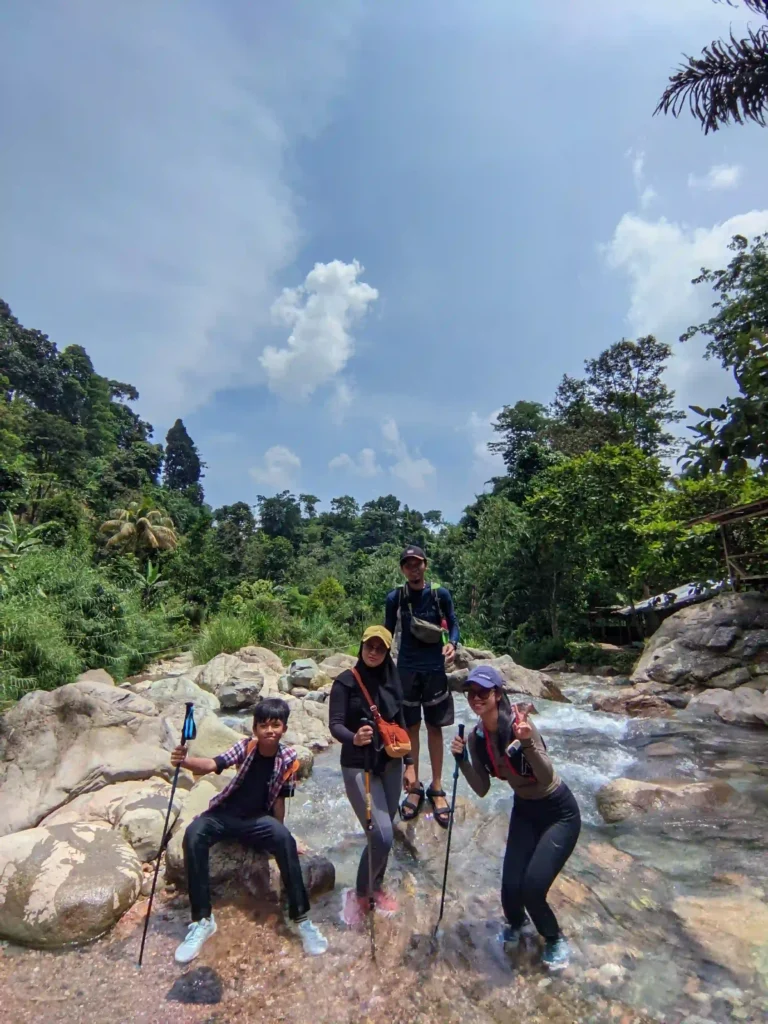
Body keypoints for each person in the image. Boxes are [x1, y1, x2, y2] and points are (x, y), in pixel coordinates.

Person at [170, 697, 328, 963]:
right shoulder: (245, 748)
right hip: (224, 814)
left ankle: (301, 918)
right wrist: (185, 762)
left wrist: (286, 836)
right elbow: (212, 764)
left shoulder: (288, 758)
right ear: (254, 729)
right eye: (263, 725)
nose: (269, 730)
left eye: (275, 725)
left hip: (257, 820)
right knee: (194, 834)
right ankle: (202, 920)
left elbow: (279, 800)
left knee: (283, 840)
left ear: (284, 728)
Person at [451, 664, 581, 970]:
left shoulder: (521, 726)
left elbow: (546, 774)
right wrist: (463, 761)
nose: (475, 698)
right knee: (510, 890)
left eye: (482, 692)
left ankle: (554, 938)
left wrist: (525, 742)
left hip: (558, 812)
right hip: (524, 811)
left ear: (497, 695)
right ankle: (518, 926)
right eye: (471, 693)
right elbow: (482, 789)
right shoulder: (476, 738)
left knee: (532, 888)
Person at [328, 625, 410, 927]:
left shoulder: (392, 680)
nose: (373, 652)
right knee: (382, 833)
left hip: (390, 763)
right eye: (369, 646)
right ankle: (360, 892)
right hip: (357, 764)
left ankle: (376, 886)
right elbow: (335, 725)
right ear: (361, 647)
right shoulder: (345, 682)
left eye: (380, 648)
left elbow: (400, 721)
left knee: (384, 833)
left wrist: (410, 764)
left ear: (387, 652)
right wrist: (354, 737)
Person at [384, 545, 459, 828]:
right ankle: (414, 787)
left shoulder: (440, 595)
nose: (413, 569)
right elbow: (387, 633)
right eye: (408, 565)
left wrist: (452, 643)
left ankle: (437, 788)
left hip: (435, 670)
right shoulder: (396, 598)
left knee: (435, 728)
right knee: (411, 727)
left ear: (425, 565)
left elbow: (453, 623)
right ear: (402, 569)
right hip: (406, 671)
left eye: (417, 564)